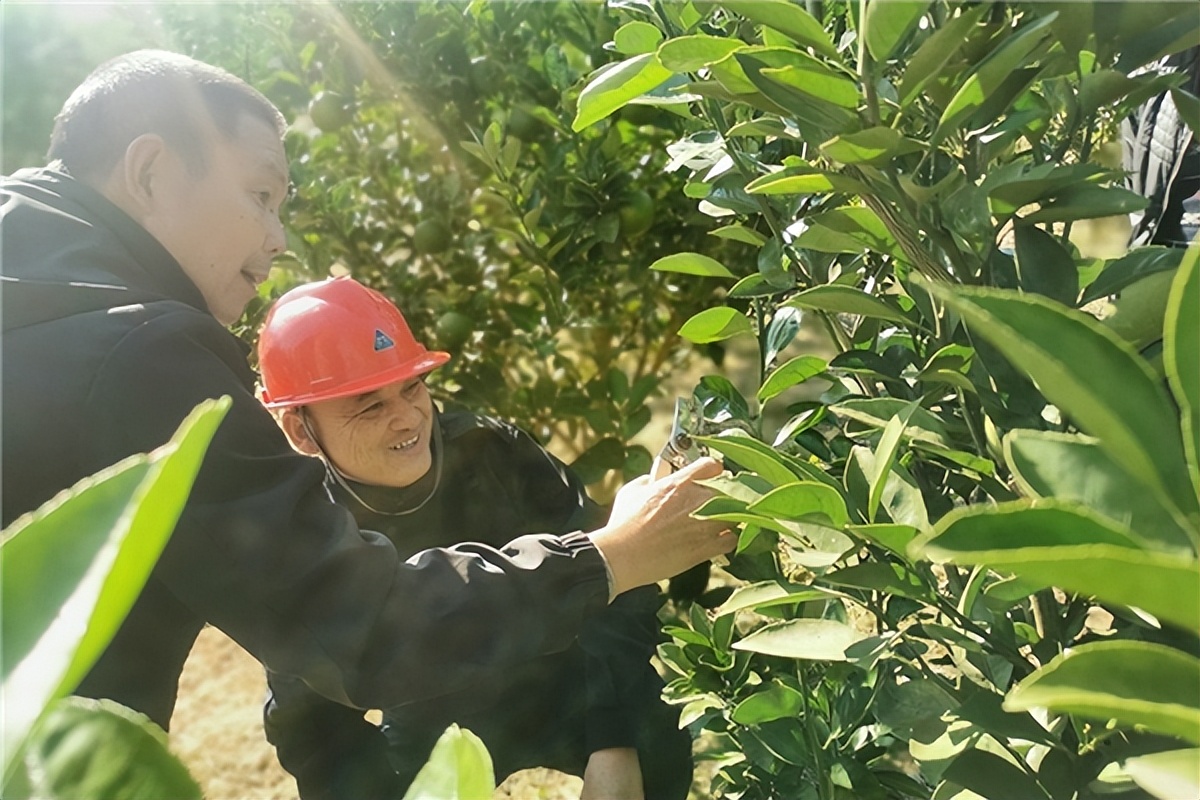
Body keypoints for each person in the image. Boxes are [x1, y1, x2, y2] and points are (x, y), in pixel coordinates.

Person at [0, 48, 733, 745]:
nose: (278, 236)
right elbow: (357, 630)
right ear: (151, 171)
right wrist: (613, 554)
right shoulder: (143, 352)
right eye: (260, 195)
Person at [256, 277, 692, 799]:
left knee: (652, 742)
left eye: (413, 386)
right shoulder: (308, 531)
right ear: (300, 429)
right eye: (369, 406)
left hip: (565, 680)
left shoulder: (490, 451)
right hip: (429, 716)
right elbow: (311, 725)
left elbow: (622, 573)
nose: (406, 419)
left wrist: (614, 741)